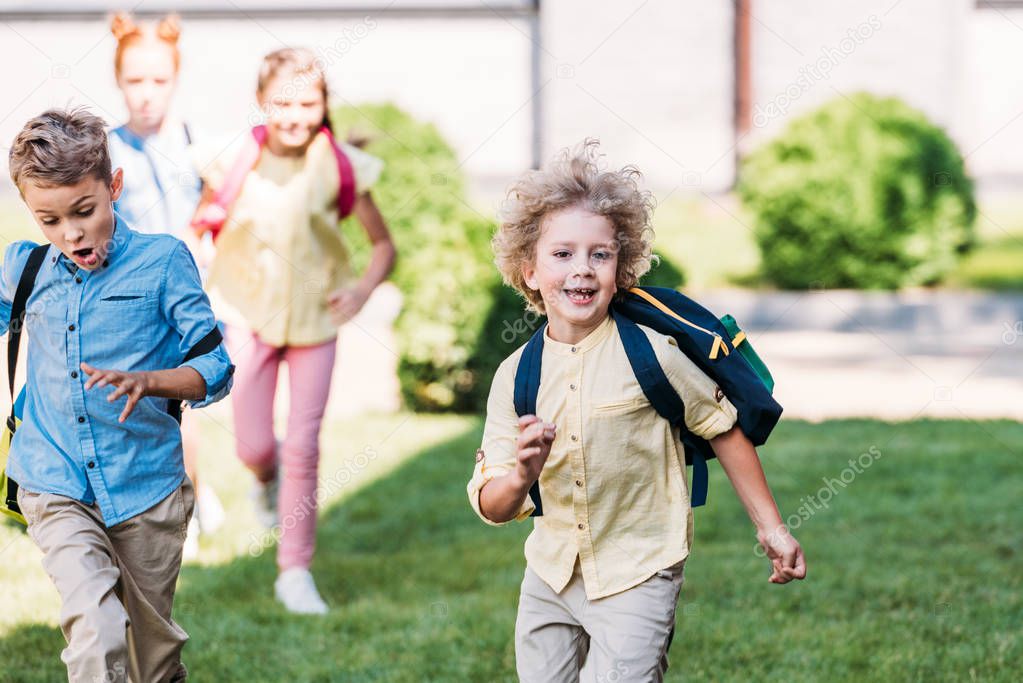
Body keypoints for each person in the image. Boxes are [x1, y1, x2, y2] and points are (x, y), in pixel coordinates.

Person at [467, 140, 807, 682]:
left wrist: (773, 528)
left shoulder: (652, 353)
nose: (582, 269)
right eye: (562, 254)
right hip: (550, 576)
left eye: (599, 254)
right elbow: (492, 504)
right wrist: (522, 474)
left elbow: (722, 429)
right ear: (528, 271)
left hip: (640, 571)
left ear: (620, 267)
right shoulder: (516, 375)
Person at [4, 107, 233, 682]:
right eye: (49, 220)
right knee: (97, 629)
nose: (71, 233)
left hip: (145, 491)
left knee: (152, 663)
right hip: (54, 483)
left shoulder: (162, 262)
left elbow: (215, 364)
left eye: (84, 211)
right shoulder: (23, 268)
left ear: (115, 187)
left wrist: (154, 382)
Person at [191, 47, 395, 614]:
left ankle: (294, 572)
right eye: (283, 102)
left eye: (309, 102)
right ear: (261, 102)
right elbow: (202, 227)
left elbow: (383, 247)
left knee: (305, 445)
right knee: (253, 444)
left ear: (324, 105)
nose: (296, 115)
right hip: (245, 316)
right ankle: (264, 479)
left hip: (316, 323)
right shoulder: (233, 159)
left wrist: (360, 290)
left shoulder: (341, 165)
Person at [106, 11, 224, 559]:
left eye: (158, 80)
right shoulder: (106, 149)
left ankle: (187, 511)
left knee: (178, 412)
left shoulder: (197, 145)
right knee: (136, 413)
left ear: (175, 80)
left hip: (185, 302)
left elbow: (220, 211)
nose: (147, 93)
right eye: (135, 80)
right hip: (128, 304)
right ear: (118, 80)